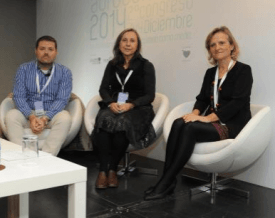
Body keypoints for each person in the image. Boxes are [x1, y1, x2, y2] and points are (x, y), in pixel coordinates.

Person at [144, 26, 253, 201]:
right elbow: (202, 99)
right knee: (179, 123)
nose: (217, 47)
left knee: (190, 129)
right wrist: (193, 114)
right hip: (212, 123)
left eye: (222, 43)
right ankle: (167, 182)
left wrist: (205, 118)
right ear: (209, 50)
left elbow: (237, 103)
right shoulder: (211, 72)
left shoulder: (243, 70)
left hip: (232, 125)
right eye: (212, 45)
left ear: (232, 46)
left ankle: (165, 182)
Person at [91, 28, 156, 189]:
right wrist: (110, 103)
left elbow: (150, 95)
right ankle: (103, 171)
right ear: (118, 44)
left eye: (132, 40)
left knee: (123, 124)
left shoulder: (146, 66)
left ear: (137, 45)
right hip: (115, 104)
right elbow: (103, 89)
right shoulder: (112, 65)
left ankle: (112, 169)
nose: (128, 44)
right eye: (124, 40)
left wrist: (131, 104)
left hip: (137, 108)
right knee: (104, 121)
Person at [5, 36, 72, 156]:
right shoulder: (23, 69)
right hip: (27, 113)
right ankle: (23, 156)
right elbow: (19, 96)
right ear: (36, 51)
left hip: (52, 115)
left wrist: (45, 118)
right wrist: (31, 117)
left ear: (56, 52)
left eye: (50, 49)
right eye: (42, 49)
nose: (46, 52)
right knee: (11, 115)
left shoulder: (64, 72)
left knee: (65, 117)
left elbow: (62, 99)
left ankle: (48, 158)